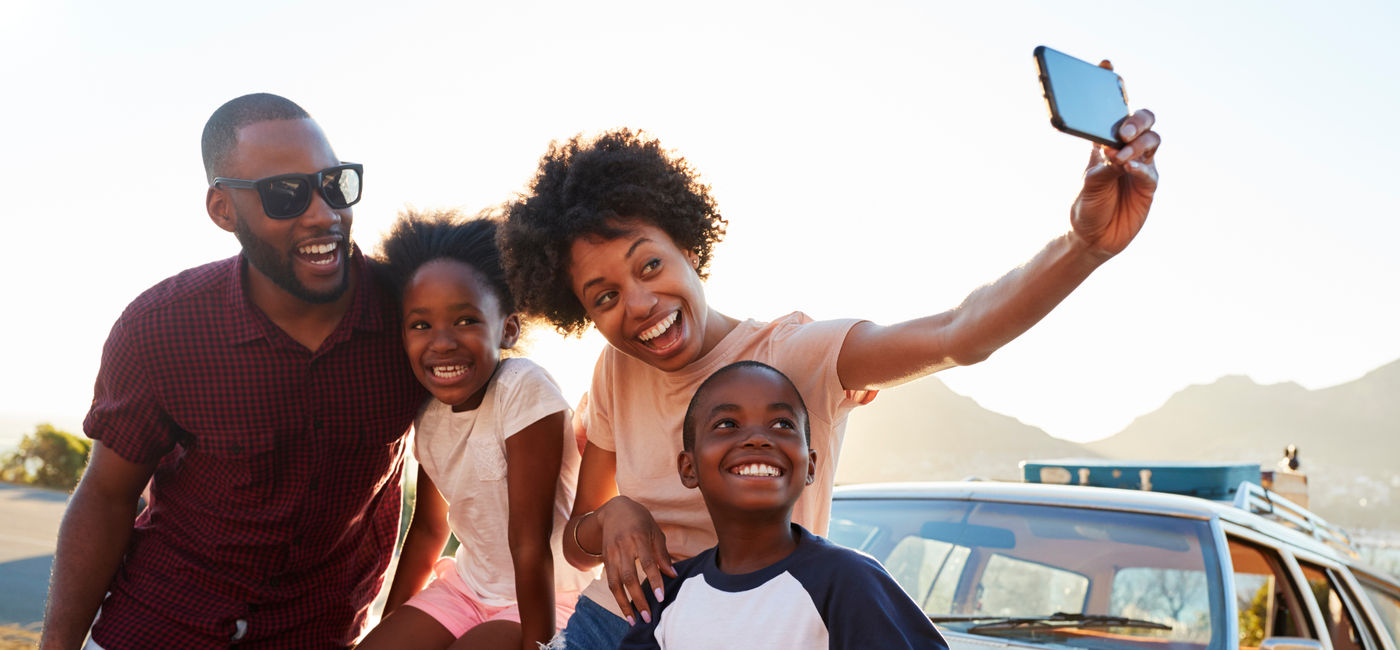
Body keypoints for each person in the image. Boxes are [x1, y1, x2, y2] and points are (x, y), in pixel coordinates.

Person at [499, 101, 1159, 647]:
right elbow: (579, 541)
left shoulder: (793, 356)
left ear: (689, 247)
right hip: (613, 626)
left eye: (649, 267)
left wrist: (1085, 247)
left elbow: (960, 332)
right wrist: (615, 515)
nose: (637, 305)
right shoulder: (618, 368)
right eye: (604, 296)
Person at [40, 93, 426, 649]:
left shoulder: (413, 318)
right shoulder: (160, 327)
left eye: (335, 184)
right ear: (223, 210)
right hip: (157, 627)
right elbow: (106, 497)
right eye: (285, 194)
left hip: (319, 634)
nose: (323, 213)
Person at [357, 210, 594, 650]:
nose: (442, 341)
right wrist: (389, 627)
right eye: (421, 325)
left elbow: (530, 543)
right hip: (465, 588)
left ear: (507, 329)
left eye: (465, 320)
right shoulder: (426, 411)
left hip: (549, 595)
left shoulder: (522, 388)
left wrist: (539, 646)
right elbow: (429, 530)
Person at [617, 361, 949, 649]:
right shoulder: (669, 593)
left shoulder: (848, 580)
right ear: (689, 469)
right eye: (727, 424)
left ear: (810, 466)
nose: (758, 439)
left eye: (782, 424)